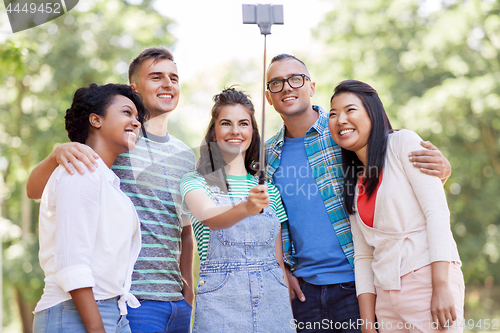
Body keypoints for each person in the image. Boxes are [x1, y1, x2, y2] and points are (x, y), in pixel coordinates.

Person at [264, 54, 452, 333]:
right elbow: (269, 220)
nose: (287, 87)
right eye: (276, 83)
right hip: (306, 292)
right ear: (268, 97)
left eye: (295, 79)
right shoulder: (268, 155)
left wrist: (444, 171)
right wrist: (283, 270)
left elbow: (396, 171)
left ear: (312, 86)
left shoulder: (346, 130)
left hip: (360, 284)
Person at [26, 47, 195, 333]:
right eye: (156, 77)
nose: (168, 84)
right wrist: (56, 153)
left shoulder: (184, 155)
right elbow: (37, 190)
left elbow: (183, 227)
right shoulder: (109, 143)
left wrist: (187, 288)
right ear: (134, 88)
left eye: (174, 78)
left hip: (173, 301)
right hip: (129, 299)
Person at [329, 80, 463, 333]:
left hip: (427, 280)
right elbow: (364, 256)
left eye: (350, 110)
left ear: (373, 113)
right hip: (386, 297)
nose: (340, 119)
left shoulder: (403, 143)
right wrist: (368, 324)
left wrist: (441, 286)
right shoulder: (355, 183)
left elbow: (437, 214)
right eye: (333, 114)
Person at [33, 83, 148, 333]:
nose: (136, 123)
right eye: (127, 113)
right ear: (95, 120)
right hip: (75, 313)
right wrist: (97, 328)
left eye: (138, 118)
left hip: (111, 311)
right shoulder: (81, 172)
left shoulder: (105, 180)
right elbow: (72, 263)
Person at [180, 88, 295, 333]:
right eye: (226, 123)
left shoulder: (269, 190)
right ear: (214, 132)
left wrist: (289, 316)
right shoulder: (195, 181)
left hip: (273, 303)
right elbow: (209, 218)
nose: (235, 131)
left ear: (252, 131)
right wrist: (246, 207)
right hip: (220, 304)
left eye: (243, 123)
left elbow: (277, 261)